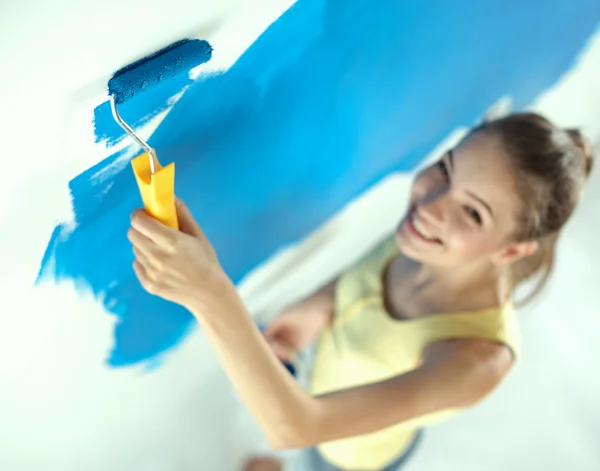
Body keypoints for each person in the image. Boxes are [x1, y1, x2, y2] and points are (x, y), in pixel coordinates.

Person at [127, 112, 594, 471]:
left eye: (473, 213)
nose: (431, 206)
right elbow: (359, 283)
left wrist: (210, 293)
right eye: (447, 169)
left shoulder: (478, 359)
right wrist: (313, 312)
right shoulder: (422, 239)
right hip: (320, 400)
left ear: (512, 252)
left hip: (357, 457)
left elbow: (295, 426)